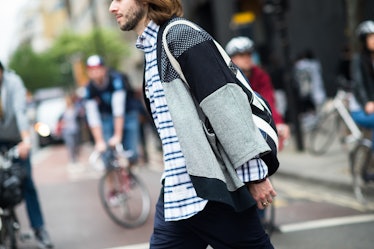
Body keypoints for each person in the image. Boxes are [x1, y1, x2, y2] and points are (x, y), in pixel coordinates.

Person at [109, 1, 277, 248]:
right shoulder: (153, 49)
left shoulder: (181, 35)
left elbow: (224, 103)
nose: (112, 7)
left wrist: (255, 174)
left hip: (215, 189)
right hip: (178, 191)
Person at [0, 61, 54, 248]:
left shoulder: (13, 82)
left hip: (17, 138)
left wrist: (26, 141)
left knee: (26, 182)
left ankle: (39, 230)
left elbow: (20, 112)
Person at [225, 36, 290, 150]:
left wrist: (278, 123)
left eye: (249, 54)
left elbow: (269, 101)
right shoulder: (226, 77)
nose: (247, 58)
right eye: (241, 55)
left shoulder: (260, 75)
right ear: (231, 58)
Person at [82, 55, 140, 165]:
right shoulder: (89, 89)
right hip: (106, 117)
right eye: (91, 70)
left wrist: (118, 136)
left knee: (132, 154)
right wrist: (99, 141)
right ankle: (111, 175)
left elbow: (119, 109)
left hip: (128, 114)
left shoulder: (116, 80)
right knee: (107, 157)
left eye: (97, 68)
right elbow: (92, 116)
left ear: (104, 69)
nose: (95, 72)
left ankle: (129, 171)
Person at [350, 20, 374, 154]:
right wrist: (367, 103)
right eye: (370, 37)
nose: (373, 40)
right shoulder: (358, 60)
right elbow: (359, 84)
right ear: (364, 40)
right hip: (361, 108)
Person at [58, 93, 81, 169]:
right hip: (67, 131)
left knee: (76, 145)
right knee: (70, 145)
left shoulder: (75, 109)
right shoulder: (63, 111)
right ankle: (72, 159)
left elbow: (79, 118)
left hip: (75, 130)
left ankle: (76, 157)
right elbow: (60, 120)